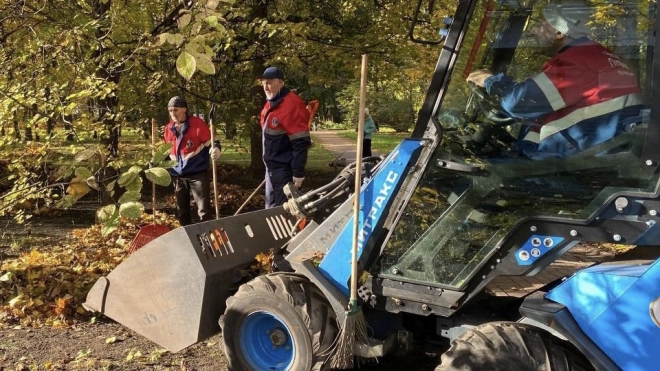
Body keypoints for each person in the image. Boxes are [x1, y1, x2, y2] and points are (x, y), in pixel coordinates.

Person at [466, 2, 642, 160]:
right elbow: (541, 108)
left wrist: (492, 81)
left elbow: (520, 102)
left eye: (540, 24)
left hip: (571, 167)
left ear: (559, 31)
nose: (533, 30)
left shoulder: (579, 60)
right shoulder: (598, 56)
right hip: (589, 156)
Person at [163, 96, 221, 226]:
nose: (173, 113)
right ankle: (188, 240)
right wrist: (156, 160)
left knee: (203, 210)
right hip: (177, 175)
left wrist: (216, 149)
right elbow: (164, 151)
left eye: (176, 110)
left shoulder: (197, 124)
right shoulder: (169, 128)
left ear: (184, 109)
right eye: (170, 110)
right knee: (182, 211)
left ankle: (208, 240)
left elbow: (212, 141)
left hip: (197, 174)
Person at [259, 66, 311, 208]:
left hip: (284, 170)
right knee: (270, 208)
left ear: (280, 83)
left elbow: (301, 141)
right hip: (271, 168)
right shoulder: (270, 103)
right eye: (263, 83)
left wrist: (298, 172)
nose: (265, 87)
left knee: (283, 210)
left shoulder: (292, 105)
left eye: (269, 83)